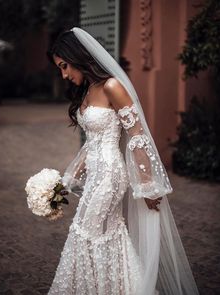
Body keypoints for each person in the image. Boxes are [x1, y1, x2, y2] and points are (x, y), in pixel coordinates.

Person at [47, 27, 199, 295]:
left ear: (77, 56)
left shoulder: (111, 86)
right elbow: (91, 144)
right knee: (106, 234)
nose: (64, 75)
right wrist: (67, 181)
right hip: (96, 174)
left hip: (110, 177)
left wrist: (148, 185)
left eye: (65, 66)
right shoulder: (87, 90)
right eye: (60, 69)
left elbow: (137, 137)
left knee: (86, 231)